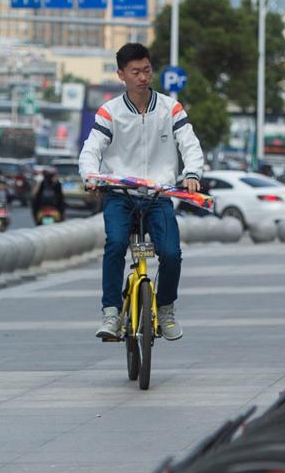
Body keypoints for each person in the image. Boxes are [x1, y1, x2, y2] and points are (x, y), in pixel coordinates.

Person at [79, 43, 204, 341]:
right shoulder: (109, 112)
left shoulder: (170, 108)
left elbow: (190, 144)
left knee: (172, 254)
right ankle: (110, 313)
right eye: (135, 72)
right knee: (115, 245)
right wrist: (91, 176)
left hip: (159, 195)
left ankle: (166, 309)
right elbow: (91, 149)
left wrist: (191, 174)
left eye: (147, 70)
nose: (143, 77)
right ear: (121, 74)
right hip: (120, 195)